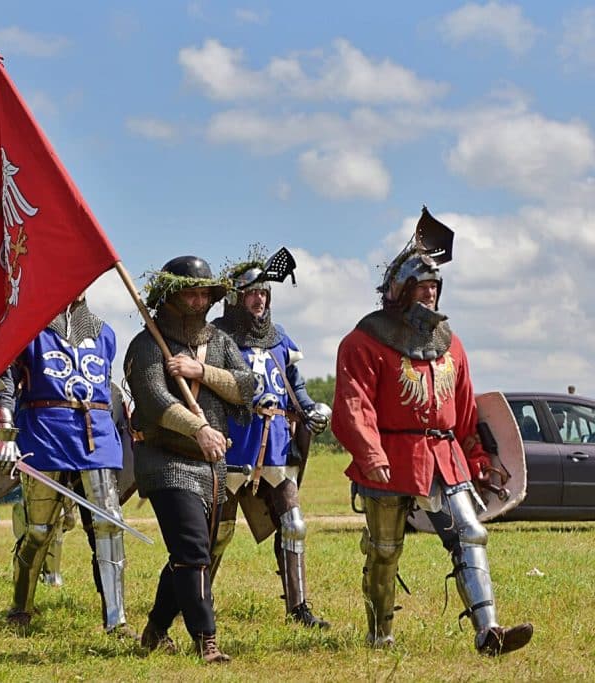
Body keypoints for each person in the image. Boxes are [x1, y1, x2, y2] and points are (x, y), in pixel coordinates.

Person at [331, 207, 533, 655]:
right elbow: (352, 404)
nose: (431, 297)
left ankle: (489, 633)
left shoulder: (451, 344)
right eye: (422, 288)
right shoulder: (364, 341)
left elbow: (464, 410)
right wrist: (371, 455)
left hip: (444, 458)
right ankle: (380, 635)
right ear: (401, 293)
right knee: (384, 551)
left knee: (471, 533)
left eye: (435, 288)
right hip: (389, 459)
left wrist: (476, 457)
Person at [124, 256, 259, 663]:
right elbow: (154, 401)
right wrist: (197, 429)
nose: (200, 301)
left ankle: (155, 629)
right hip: (166, 460)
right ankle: (206, 640)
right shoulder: (146, 344)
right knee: (193, 552)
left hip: (211, 465)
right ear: (170, 295)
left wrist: (201, 371)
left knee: (190, 554)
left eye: (205, 293)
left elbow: (245, 388)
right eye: (191, 293)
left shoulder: (218, 342)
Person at [209, 248, 331, 628]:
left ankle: (298, 608)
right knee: (219, 531)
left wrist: (311, 408)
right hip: (234, 441)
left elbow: (296, 386)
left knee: (293, 524)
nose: (259, 299)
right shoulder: (218, 337)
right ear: (236, 299)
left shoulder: (280, 338)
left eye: (264, 292)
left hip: (276, 441)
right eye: (251, 293)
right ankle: (198, 600)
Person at [4, 295, 133, 637]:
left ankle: (116, 620)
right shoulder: (28, 327)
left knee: (110, 524)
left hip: (96, 434)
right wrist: (2, 429)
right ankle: (21, 605)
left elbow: (109, 388)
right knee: (40, 530)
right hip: (45, 431)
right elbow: (3, 377)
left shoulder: (104, 333)